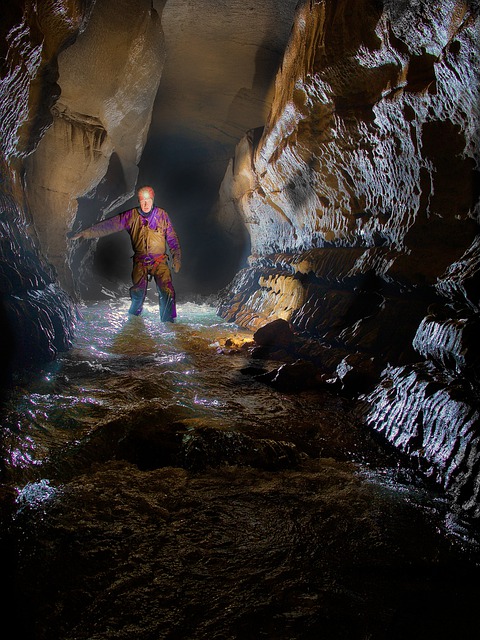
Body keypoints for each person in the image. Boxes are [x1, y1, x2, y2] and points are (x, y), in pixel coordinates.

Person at [70, 185, 181, 322]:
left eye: (148, 201)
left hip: (159, 260)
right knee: (138, 292)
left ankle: (169, 322)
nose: (145, 204)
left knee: (167, 290)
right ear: (139, 201)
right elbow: (110, 224)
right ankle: (134, 321)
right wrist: (86, 233)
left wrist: (177, 257)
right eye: (142, 201)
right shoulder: (131, 216)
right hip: (140, 260)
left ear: (153, 201)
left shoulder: (162, 215)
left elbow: (172, 237)